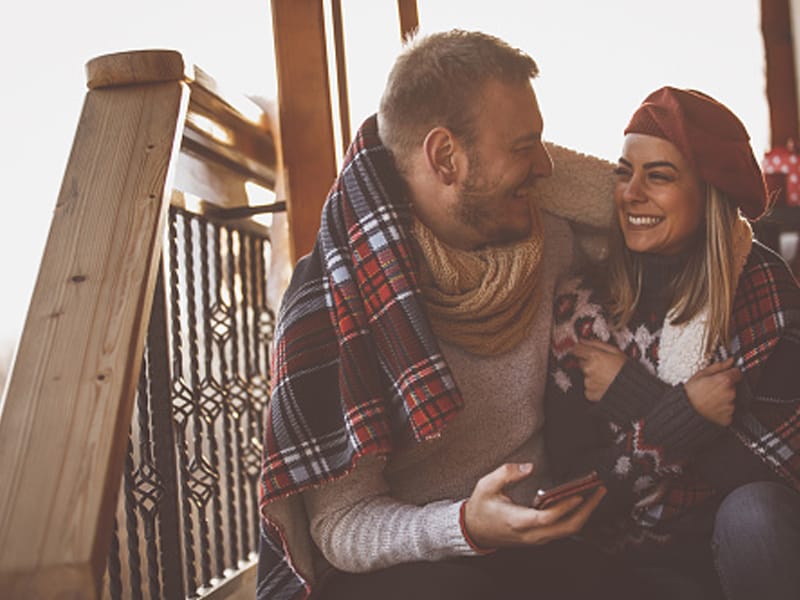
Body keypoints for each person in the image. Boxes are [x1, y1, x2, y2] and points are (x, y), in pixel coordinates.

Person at [256, 29, 637, 600]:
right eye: (524, 145)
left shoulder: (549, 236)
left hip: (543, 541)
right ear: (444, 157)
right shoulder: (340, 295)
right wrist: (463, 527)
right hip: (414, 560)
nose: (546, 167)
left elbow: (652, 212)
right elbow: (340, 526)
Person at [547, 86, 800, 600]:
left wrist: (633, 395)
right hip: (621, 562)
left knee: (754, 511)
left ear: (707, 193)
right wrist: (683, 416)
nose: (631, 193)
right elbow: (572, 492)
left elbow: (779, 469)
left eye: (658, 176)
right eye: (623, 172)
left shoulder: (760, 286)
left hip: (734, 548)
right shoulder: (582, 306)